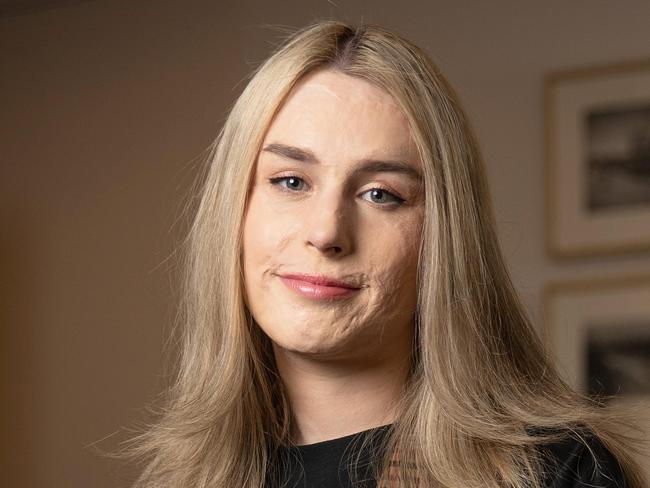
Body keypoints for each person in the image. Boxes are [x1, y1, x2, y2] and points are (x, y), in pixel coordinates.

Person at [119, 20, 648, 488]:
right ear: (235, 210)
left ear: (444, 237)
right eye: (290, 180)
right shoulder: (178, 477)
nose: (327, 232)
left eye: (381, 194)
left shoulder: (556, 473)